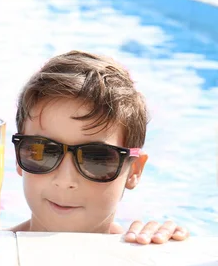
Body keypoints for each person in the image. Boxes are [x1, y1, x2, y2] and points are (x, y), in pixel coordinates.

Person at [10, 51, 189, 245]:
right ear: (19, 157)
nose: (64, 181)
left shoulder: (139, 246)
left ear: (134, 170)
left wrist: (162, 244)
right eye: (43, 152)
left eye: (96, 159)